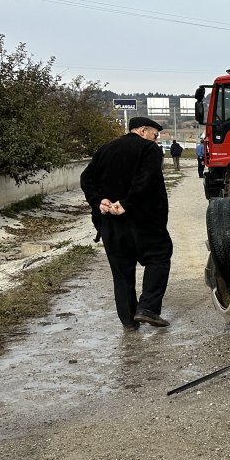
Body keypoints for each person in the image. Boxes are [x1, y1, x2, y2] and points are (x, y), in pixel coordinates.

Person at [80, 116, 174, 330]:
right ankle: (147, 308)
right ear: (142, 130)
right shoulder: (149, 150)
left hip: (111, 224)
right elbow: (147, 178)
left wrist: (98, 201)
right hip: (145, 222)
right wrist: (126, 203)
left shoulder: (105, 149)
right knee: (159, 257)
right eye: (154, 134)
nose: (156, 139)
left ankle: (129, 320)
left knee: (121, 271)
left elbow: (86, 178)